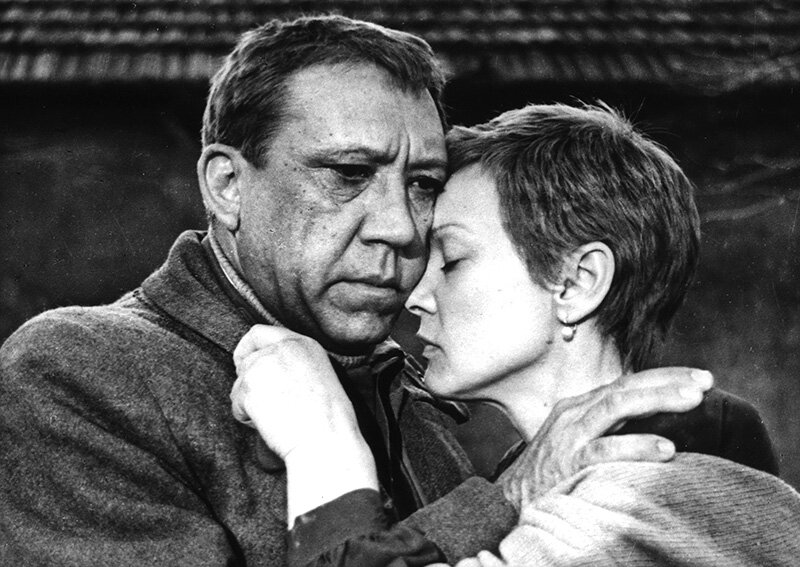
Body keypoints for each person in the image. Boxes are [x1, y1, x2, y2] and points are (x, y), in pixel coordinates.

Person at [0, 16, 716, 566]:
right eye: (348, 174)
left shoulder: (429, 409)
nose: (401, 228)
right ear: (227, 185)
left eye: (424, 184)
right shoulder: (81, 373)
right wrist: (502, 501)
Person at [231, 103, 797, 566]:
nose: (415, 295)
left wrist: (322, 441)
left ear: (576, 283)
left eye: (452, 260)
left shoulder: (652, 490)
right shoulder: (564, 493)